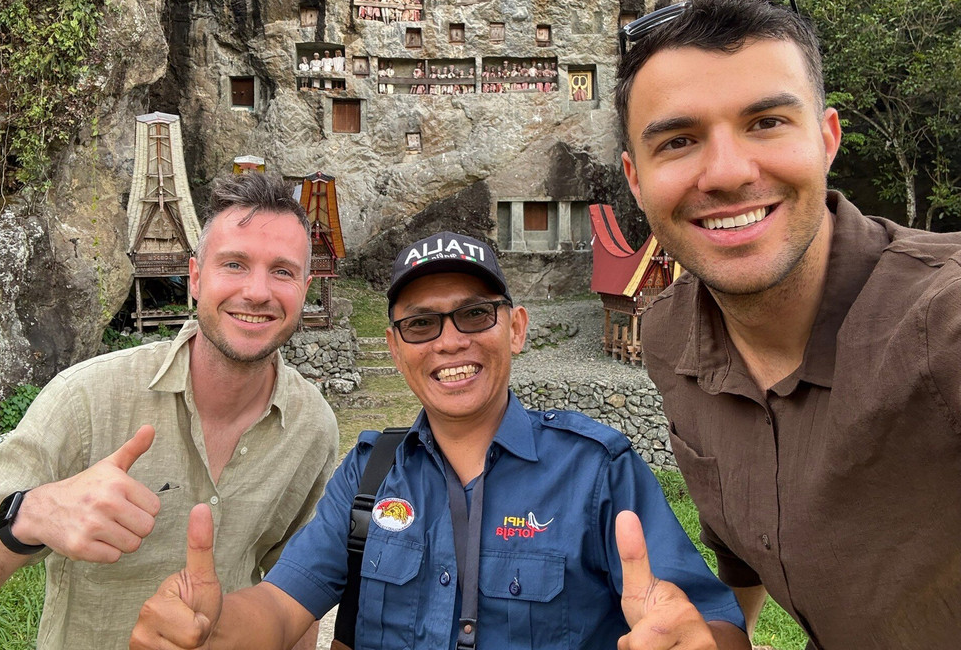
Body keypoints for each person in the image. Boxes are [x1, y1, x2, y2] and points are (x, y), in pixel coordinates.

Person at [130, 232, 749, 650]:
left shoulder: (597, 470)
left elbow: (716, 626)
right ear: (397, 348)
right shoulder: (370, 473)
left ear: (517, 329)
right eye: (421, 324)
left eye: (475, 314)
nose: (449, 342)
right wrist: (211, 628)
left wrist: (693, 638)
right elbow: (279, 607)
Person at [615, 0, 961, 649]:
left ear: (827, 139)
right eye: (679, 141)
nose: (725, 171)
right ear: (635, 180)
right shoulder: (670, 336)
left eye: (766, 122)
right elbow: (738, 533)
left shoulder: (940, 322)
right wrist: (723, 634)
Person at [0, 172, 339, 650]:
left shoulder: (312, 428)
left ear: (305, 286)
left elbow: (294, 597)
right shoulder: (85, 399)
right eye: (233, 264)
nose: (257, 291)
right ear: (195, 277)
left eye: (282, 271)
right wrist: (31, 514)